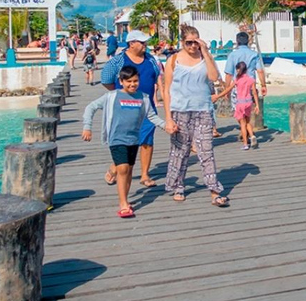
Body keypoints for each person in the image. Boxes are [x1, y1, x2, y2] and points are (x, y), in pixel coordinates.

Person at [82, 65, 172, 218]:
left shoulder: (143, 97)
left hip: (133, 139)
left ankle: (124, 194)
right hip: (116, 138)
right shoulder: (112, 96)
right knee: (123, 169)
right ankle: (123, 203)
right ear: (121, 81)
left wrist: (165, 126)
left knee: (128, 170)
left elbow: (151, 116)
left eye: (135, 81)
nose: (132, 84)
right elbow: (91, 107)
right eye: (129, 81)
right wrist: (87, 127)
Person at [162, 25, 229, 207]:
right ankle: (178, 185)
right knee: (180, 151)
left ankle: (214, 191)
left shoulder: (204, 57)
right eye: (188, 42)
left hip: (203, 111)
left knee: (206, 150)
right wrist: (168, 118)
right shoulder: (173, 59)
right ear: (182, 42)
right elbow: (166, 91)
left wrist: (205, 52)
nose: (192, 46)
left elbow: (214, 77)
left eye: (195, 42)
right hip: (179, 111)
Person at [101, 30, 163, 187]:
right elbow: (106, 80)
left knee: (147, 141)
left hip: (147, 107)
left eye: (145, 43)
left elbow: (156, 78)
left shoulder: (152, 60)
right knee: (127, 142)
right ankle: (115, 167)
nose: (145, 45)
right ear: (131, 43)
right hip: (124, 109)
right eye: (142, 43)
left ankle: (144, 174)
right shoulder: (118, 61)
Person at [215, 61, 259, 150]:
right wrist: (257, 105)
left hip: (240, 103)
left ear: (238, 70)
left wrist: (218, 96)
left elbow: (228, 90)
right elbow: (254, 93)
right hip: (248, 103)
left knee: (242, 124)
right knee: (247, 122)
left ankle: (245, 144)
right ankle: (252, 136)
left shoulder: (237, 80)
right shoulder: (251, 80)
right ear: (246, 70)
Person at [224, 31, 267, 113]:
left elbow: (229, 74)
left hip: (237, 86)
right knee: (249, 112)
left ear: (237, 42)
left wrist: (227, 90)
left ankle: (243, 126)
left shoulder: (232, 55)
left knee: (238, 111)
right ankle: (247, 125)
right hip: (250, 86)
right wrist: (263, 85)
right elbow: (260, 71)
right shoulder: (254, 54)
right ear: (248, 41)